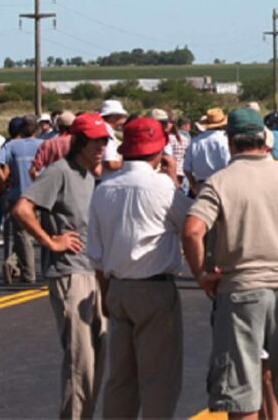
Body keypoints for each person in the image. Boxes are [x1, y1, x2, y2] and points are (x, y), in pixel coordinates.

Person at [183, 107, 278, 417]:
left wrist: (201, 274)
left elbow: (192, 231)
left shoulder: (219, 182)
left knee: (242, 393)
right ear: (264, 139)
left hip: (240, 291)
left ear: (230, 141)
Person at [87, 117, 192, 418]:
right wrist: (174, 180)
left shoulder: (104, 189)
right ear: (158, 151)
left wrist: (105, 296)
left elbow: (96, 255)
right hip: (153, 287)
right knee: (158, 378)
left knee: (121, 378)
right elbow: (191, 223)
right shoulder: (162, 187)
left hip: (117, 287)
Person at [11, 113, 110, 418]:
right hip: (70, 272)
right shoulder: (60, 171)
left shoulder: (89, 175)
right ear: (78, 142)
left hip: (93, 271)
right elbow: (22, 209)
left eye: (104, 140)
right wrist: (51, 241)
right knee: (80, 362)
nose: (101, 147)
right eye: (95, 141)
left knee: (98, 356)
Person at [0, 115, 43, 284]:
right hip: (38, 195)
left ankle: (19, 267)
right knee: (35, 234)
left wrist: (3, 180)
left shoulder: (11, 145)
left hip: (17, 195)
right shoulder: (43, 145)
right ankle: (23, 270)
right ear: (36, 129)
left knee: (21, 235)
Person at [184, 107, 231, 197]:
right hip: (221, 184)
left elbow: (186, 168)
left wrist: (193, 185)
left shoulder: (195, 141)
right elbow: (228, 164)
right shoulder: (225, 140)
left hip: (202, 185)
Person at [30, 111, 77, 179]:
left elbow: (33, 170)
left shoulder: (48, 143)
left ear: (58, 126)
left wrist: (41, 183)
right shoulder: (81, 143)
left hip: (53, 181)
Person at [99, 99, 128, 175]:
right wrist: (129, 162)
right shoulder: (107, 132)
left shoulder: (103, 128)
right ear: (113, 117)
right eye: (121, 115)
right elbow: (111, 164)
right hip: (105, 178)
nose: (123, 118)